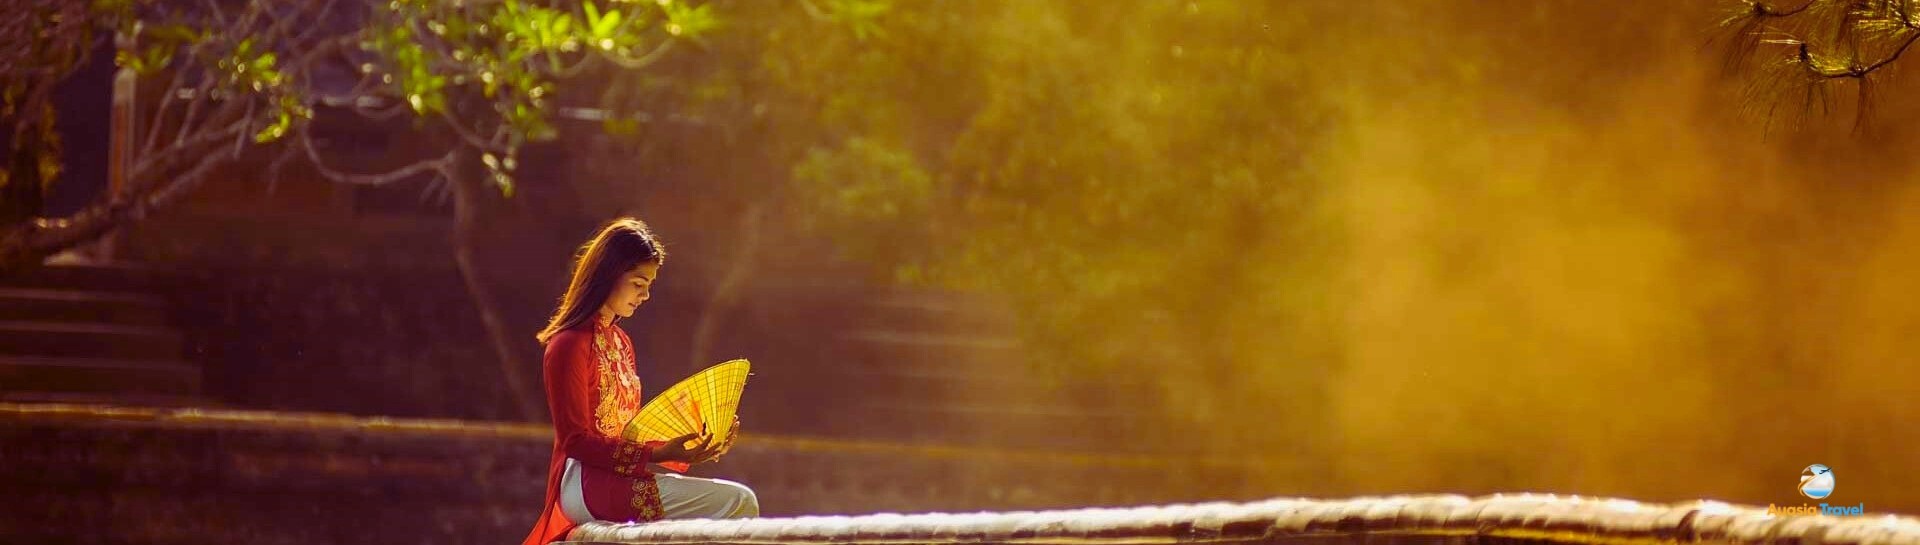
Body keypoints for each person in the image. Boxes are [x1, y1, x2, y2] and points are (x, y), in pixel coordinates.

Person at [521, 218, 759, 545]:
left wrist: (692, 448)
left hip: (621, 477)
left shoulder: (621, 343)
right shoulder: (568, 344)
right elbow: (575, 440)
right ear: (609, 275)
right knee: (738, 501)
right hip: (585, 483)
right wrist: (657, 456)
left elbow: (629, 433)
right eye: (638, 282)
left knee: (734, 504)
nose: (645, 295)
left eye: (649, 285)